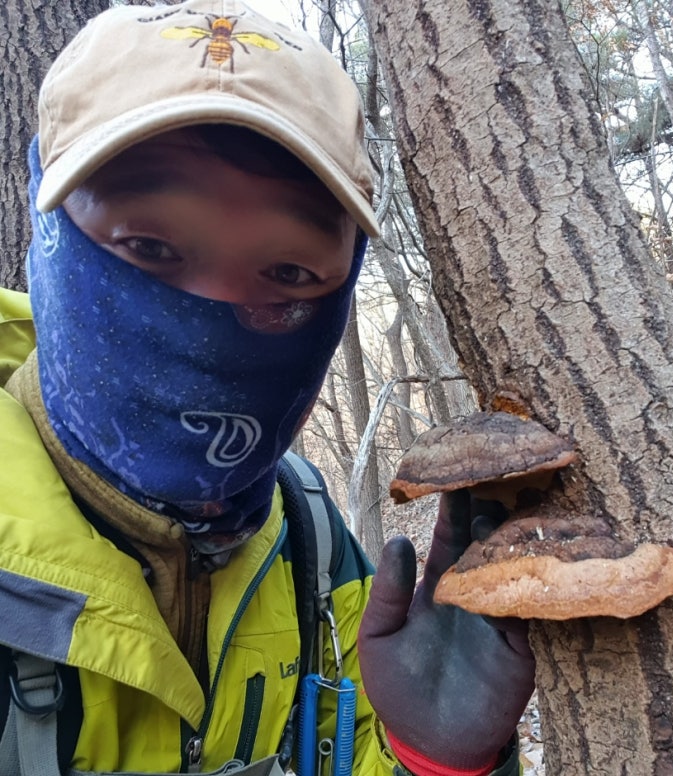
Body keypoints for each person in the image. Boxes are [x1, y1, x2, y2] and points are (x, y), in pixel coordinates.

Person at [0, 1, 535, 775]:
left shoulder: (314, 551)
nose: (214, 322)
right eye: (148, 246)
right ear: (47, 233)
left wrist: (431, 761)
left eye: (288, 273)